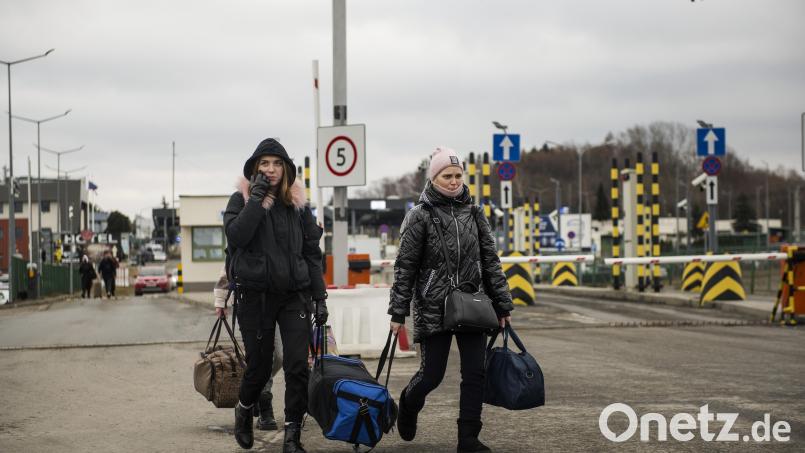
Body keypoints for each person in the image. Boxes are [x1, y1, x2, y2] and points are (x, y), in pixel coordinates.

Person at [388, 147, 513, 453]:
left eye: (458, 175)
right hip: (434, 305)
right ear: (434, 178)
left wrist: (503, 304)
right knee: (432, 375)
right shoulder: (419, 216)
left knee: (475, 373)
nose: (454, 181)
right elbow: (405, 267)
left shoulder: (474, 214)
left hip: (472, 303)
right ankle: (408, 404)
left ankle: (467, 438)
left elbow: (490, 261)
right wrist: (398, 312)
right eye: (448, 176)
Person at [223, 138, 327, 452]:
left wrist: (319, 297)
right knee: (259, 367)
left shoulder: (297, 205)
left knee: (297, 365)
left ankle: (292, 435)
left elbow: (311, 252)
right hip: (254, 297)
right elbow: (237, 236)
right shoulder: (240, 199)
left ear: (286, 169)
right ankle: (244, 409)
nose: (271, 169)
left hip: (293, 295)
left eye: (277, 163)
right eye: (264, 163)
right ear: (255, 168)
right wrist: (256, 201)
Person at [214, 269, 283, 431]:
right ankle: (266, 409)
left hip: (281, 301)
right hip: (253, 304)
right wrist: (221, 300)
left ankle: (253, 390)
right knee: (265, 358)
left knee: (280, 356)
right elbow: (231, 266)